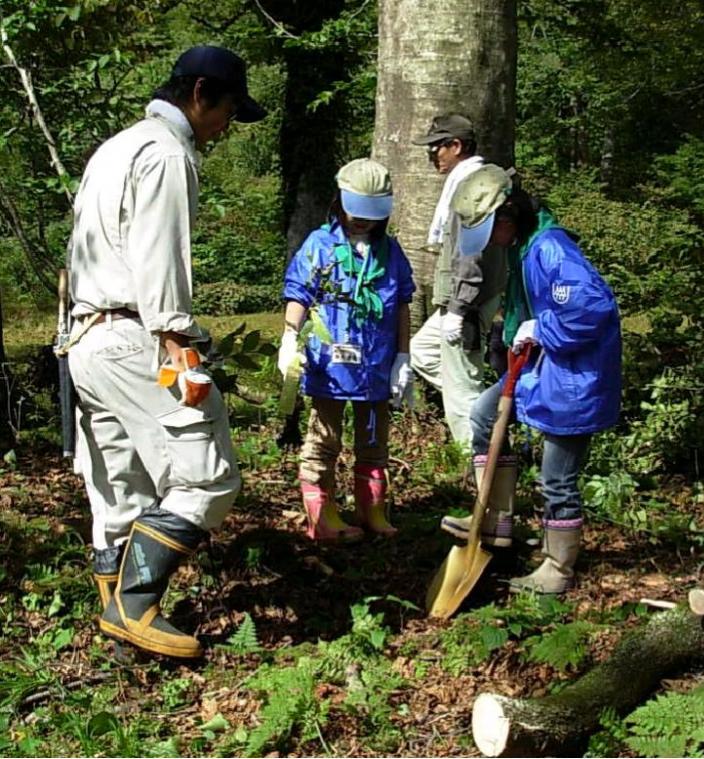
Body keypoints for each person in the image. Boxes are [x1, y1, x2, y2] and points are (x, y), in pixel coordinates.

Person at [67, 46, 266, 658]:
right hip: (138, 336)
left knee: (119, 485)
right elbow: (159, 256)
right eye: (229, 109)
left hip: (86, 336)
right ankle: (133, 607)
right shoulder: (167, 154)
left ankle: (118, 628)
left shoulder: (116, 147)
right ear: (201, 93)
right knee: (208, 476)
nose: (227, 127)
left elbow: (82, 252)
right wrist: (176, 340)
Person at [440, 164, 622, 594]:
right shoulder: (524, 247)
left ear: (508, 218)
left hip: (576, 380)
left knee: (556, 477)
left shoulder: (550, 250)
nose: (488, 244)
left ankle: (558, 568)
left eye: (489, 231)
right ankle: (495, 517)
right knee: (485, 415)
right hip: (543, 371)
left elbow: (594, 309)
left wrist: (544, 329)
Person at [278, 158, 415, 542]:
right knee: (325, 437)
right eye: (356, 212)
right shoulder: (320, 245)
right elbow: (298, 294)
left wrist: (403, 357)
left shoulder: (390, 253)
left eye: (371, 215)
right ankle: (322, 515)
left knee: (374, 437)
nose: (361, 221)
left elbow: (402, 303)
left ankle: (371, 508)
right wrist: (290, 337)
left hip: (375, 364)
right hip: (329, 365)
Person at [409, 114, 506, 449]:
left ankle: (476, 462)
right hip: (458, 298)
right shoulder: (466, 180)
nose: (431, 155)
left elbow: (472, 253)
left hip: (466, 300)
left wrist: (459, 308)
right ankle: (487, 411)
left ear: (456, 146)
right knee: (422, 352)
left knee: (462, 389)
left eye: (436, 147)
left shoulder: (473, 186)